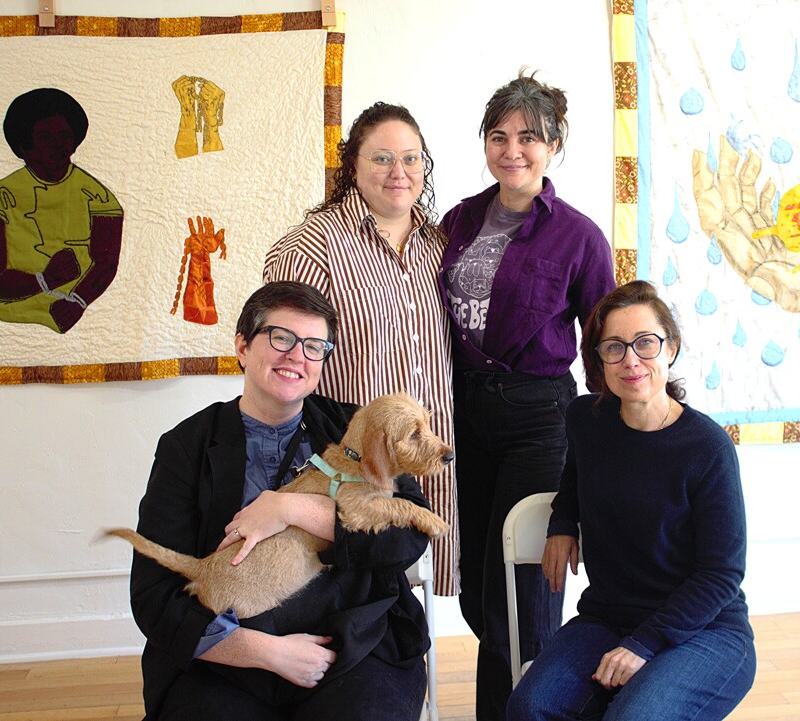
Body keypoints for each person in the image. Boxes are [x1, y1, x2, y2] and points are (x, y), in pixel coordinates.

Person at [127, 281, 430, 720]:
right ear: (243, 346)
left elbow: (408, 536)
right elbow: (153, 592)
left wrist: (295, 509)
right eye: (281, 338)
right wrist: (264, 652)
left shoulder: (362, 427)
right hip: (228, 657)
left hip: (352, 645)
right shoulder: (186, 446)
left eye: (313, 346)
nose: (297, 356)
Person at [438, 69, 615, 720]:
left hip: (540, 419)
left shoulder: (579, 236)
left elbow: (606, 346)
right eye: (498, 136)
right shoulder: (457, 222)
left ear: (553, 144)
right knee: (479, 594)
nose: (512, 150)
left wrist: (607, 442)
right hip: (465, 415)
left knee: (524, 591)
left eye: (529, 137)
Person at [507, 280, 756, 721]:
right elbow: (576, 473)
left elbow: (721, 574)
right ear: (599, 359)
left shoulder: (707, 448)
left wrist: (643, 644)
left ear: (671, 348)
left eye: (646, 343)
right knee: (529, 707)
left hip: (705, 631)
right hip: (609, 616)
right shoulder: (587, 419)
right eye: (614, 347)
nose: (631, 360)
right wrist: (563, 522)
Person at [263, 101, 457, 595]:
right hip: (356, 465)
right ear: (352, 165)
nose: (400, 172)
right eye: (382, 158)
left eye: (412, 159)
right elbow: (285, 359)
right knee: (363, 595)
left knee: (417, 587)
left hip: (426, 450)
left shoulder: (438, 245)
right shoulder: (314, 245)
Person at [0, 87, 124, 333]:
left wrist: (78, 301)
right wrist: (44, 280)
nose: (58, 146)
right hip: (13, 318)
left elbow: (106, 262)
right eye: (45, 138)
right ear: (23, 147)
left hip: (80, 313)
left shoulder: (98, 197)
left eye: (64, 136)